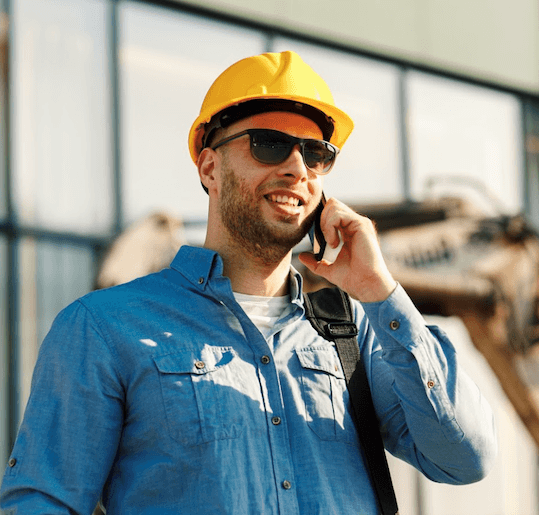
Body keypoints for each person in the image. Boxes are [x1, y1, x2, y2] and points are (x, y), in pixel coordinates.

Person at [0, 51, 497, 514]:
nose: (297, 167)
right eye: (270, 145)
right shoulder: (103, 329)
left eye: (316, 153)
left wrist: (381, 293)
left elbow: (463, 459)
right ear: (210, 167)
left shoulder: (357, 334)